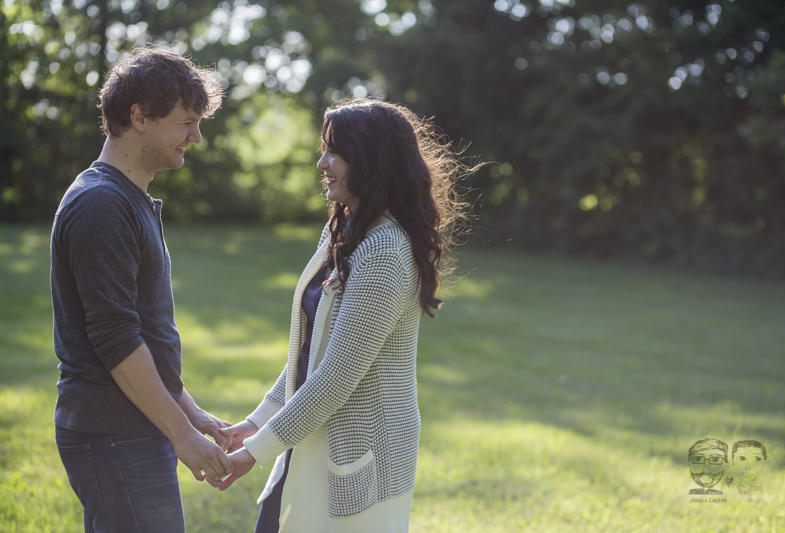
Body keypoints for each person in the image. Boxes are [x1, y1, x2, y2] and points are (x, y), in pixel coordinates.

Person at [214, 98, 472, 533]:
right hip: (306, 438)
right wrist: (257, 421)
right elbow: (310, 353)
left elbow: (334, 378)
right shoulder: (344, 229)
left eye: (334, 152)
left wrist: (255, 450)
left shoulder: (385, 251)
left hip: (356, 455)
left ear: (370, 163)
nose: (321, 162)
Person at [50, 46, 233, 533]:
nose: (196, 137)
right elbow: (115, 337)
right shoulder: (102, 205)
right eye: (187, 122)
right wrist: (182, 436)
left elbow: (145, 331)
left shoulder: (127, 199)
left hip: (130, 427)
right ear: (139, 117)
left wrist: (191, 415)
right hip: (111, 431)